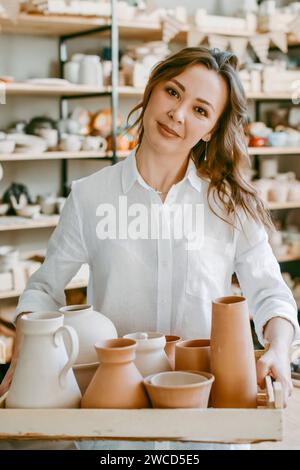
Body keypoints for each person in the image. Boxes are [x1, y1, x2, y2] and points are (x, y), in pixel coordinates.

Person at [0, 46, 299, 450]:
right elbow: (44, 287)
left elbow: (270, 293)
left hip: (205, 426)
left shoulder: (229, 204)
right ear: (151, 90)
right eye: (173, 93)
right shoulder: (91, 196)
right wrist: (27, 340)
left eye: (200, 110)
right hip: (112, 426)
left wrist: (278, 349)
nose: (178, 114)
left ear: (211, 129)